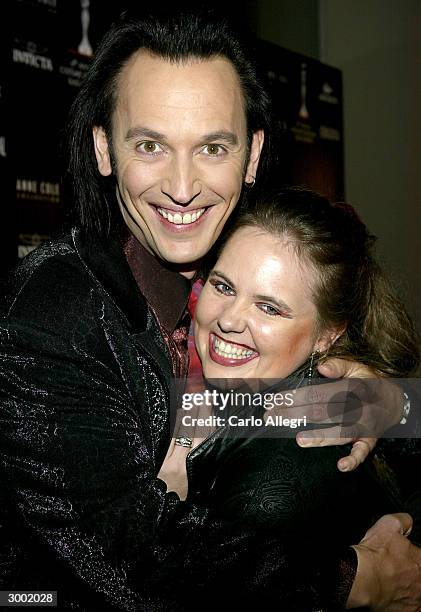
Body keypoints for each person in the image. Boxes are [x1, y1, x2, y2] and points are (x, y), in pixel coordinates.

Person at [0, 7, 420, 611]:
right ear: (103, 150)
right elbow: (126, 553)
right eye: (150, 145)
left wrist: (383, 403)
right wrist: (355, 581)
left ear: (251, 156)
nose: (182, 186)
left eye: (212, 147)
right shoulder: (53, 317)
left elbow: (232, 406)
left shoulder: (236, 263)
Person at [160, 185, 421, 608]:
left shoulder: (273, 481)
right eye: (224, 287)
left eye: (269, 308)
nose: (228, 320)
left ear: (328, 334)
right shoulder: (221, 390)